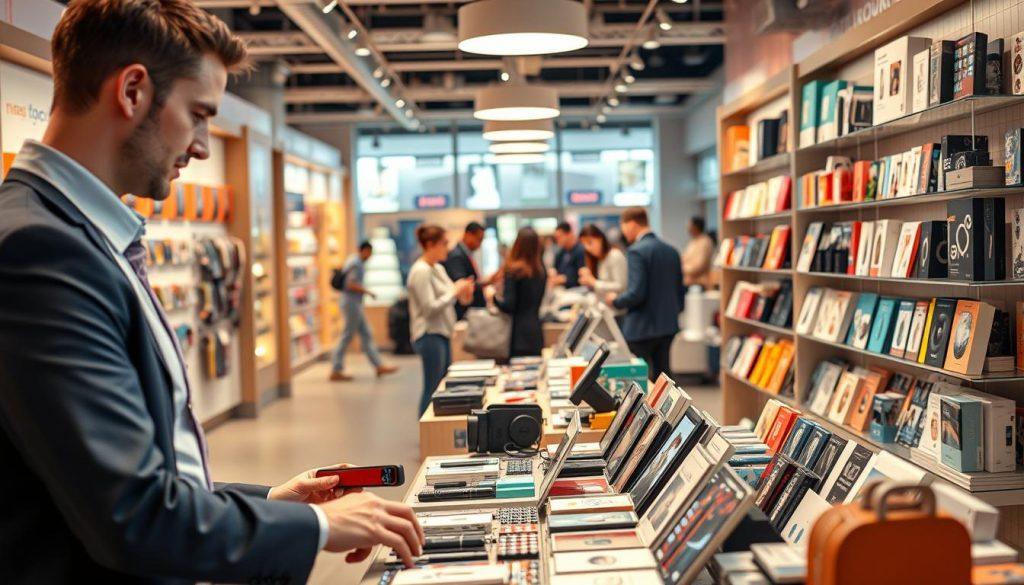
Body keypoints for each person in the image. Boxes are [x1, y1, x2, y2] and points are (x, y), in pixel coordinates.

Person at [0, 2, 423, 582]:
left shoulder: (78, 237)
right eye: (198, 115)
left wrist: (271, 500)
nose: (202, 145)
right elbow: (132, 516)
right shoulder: (39, 251)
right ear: (132, 92)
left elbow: (118, 476)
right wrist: (322, 528)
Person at [606, 207, 684, 382]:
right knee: (664, 379)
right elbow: (680, 292)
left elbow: (636, 293)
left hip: (642, 328)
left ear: (632, 223)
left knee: (640, 381)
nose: (623, 231)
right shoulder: (672, 250)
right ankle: (667, 409)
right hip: (668, 325)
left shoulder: (636, 251)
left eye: (623, 226)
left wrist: (615, 301)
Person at [407, 224, 475, 415]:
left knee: (440, 386)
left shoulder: (437, 268)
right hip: (429, 334)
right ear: (430, 244)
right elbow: (430, 308)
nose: (447, 248)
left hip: (442, 333)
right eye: (444, 243)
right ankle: (427, 434)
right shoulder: (421, 271)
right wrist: (455, 291)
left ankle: (432, 432)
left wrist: (462, 291)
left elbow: (451, 294)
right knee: (432, 387)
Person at [329, 241, 398, 381]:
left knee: (366, 334)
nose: (370, 256)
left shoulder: (353, 261)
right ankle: (336, 368)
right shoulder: (356, 263)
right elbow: (350, 284)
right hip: (351, 304)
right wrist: (367, 292)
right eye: (369, 252)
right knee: (347, 335)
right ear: (365, 251)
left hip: (354, 303)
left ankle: (378, 365)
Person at [488, 226, 547, 358]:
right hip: (536, 332)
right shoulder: (541, 271)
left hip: (516, 335)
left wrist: (493, 297)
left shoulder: (514, 271)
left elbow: (509, 306)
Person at [442, 221, 487, 320]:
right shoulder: (456, 255)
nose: (479, 244)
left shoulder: (464, 253)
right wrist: (485, 283)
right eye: (479, 239)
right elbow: (461, 284)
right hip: (465, 312)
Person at [577, 224, 628, 310]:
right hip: (604, 310)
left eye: (590, 242)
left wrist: (593, 282)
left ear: (600, 238)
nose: (587, 248)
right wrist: (588, 280)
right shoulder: (597, 260)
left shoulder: (615, 256)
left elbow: (621, 286)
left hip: (617, 311)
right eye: (584, 245)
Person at [682, 216, 715, 289]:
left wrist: (682, 268)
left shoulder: (705, 242)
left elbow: (699, 266)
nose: (688, 228)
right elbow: (684, 259)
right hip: (689, 283)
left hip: (700, 284)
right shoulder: (692, 242)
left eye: (689, 225)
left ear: (695, 227)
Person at [550, 221, 585, 288]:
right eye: (556, 238)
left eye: (559, 237)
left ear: (569, 234)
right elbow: (555, 268)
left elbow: (581, 276)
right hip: (563, 290)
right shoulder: (561, 252)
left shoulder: (581, 251)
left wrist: (564, 279)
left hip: (577, 290)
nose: (557, 240)